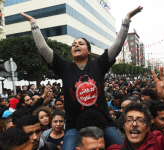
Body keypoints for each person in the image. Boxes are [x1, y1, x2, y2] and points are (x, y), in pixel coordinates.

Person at [20, 6, 143, 150]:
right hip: (74, 125)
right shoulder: (64, 67)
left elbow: (117, 46)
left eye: (81, 43)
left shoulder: (98, 64)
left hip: (104, 122)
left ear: (89, 51)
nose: (76, 45)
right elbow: (43, 49)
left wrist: (127, 19)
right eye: (73, 44)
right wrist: (33, 23)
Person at [107, 67, 164, 150]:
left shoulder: (161, 144)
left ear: (148, 127)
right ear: (124, 126)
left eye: (140, 120)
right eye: (129, 120)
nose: (134, 124)